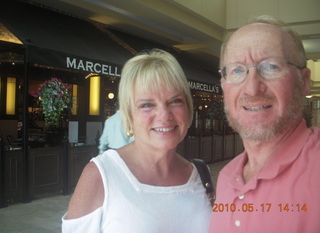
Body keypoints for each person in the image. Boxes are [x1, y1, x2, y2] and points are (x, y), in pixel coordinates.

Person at [62, 49, 212, 232]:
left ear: (188, 108)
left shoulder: (201, 174)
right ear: (129, 115)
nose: (164, 116)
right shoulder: (101, 175)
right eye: (147, 105)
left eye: (175, 101)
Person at [208, 15, 320, 233]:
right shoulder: (226, 177)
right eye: (237, 70)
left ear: (304, 81)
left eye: (270, 66)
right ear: (223, 86)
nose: (251, 87)